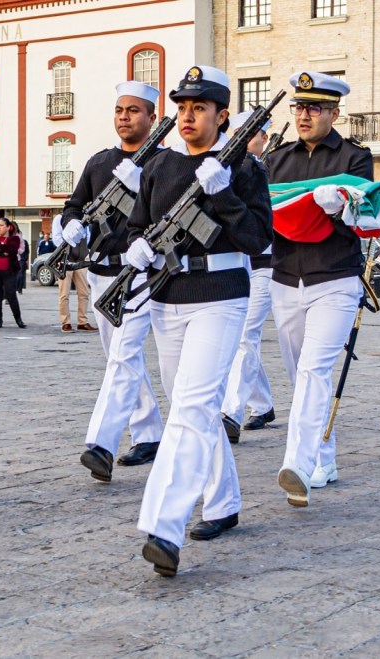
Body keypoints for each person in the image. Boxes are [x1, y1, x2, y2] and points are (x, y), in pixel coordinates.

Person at [128, 65, 272, 577]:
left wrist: (225, 193)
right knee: (195, 408)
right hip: (169, 296)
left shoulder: (246, 169)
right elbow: (137, 226)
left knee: (190, 408)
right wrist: (138, 246)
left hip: (221, 294)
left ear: (222, 115)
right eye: (183, 108)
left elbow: (258, 242)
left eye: (200, 108)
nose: (188, 117)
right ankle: (223, 502)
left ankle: (164, 526)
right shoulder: (160, 167)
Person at [263, 71, 374, 504]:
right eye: (299, 107)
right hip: (286, 277)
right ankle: (324, 456)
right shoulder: (278, 159)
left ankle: (299, 464)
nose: (304, 115)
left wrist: (343, 206)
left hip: (336, 278)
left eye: (314, 108)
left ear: (334, 112)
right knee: (300, 374)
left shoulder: (354, 157)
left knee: (313, 371)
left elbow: (366, 214)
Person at [64, 80, 164, 479]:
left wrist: (143, 186)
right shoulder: (99, 162)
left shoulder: (165, 162)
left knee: (123, 356)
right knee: (120, 358)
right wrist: (70, 226)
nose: (125, 117)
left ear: (152, 118)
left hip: (141, 272)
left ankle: (101, 444)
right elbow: (75, 205)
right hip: (102, 270)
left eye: (134, 110)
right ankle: (150, 432)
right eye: (120, 110)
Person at [220, 109, 276, 442]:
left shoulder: (275, 165)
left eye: (249, 133)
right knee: (243, 338)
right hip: (241, 263)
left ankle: (231, 411)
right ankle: (263, 403)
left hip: (269, 265)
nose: (241, 139)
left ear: (264, 137)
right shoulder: (231, 169)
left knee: (246, 337)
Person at [52, 214, 97, 332]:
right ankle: (65, 322)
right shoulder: (60, 218)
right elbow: (56, 238)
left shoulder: (85, 219)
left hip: (81, 260)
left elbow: (88, 236)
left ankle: (82, 321)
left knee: (84, 293)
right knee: (64, 293)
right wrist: (67, 248)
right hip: (64, 260)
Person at [0, 217, 26, 327]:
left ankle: (18, 319)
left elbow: (11, 250)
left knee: (11, 294)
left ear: (8, 227)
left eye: (1, 225)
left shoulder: (14, 239)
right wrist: (1, 248)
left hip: (9, 272)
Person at [15, 223, 29, 293]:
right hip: (14, 259)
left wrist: (26, 260)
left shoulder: (24, 242)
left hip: (22, 260)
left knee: (20, 275)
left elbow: (27, 251)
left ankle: (19, 288)